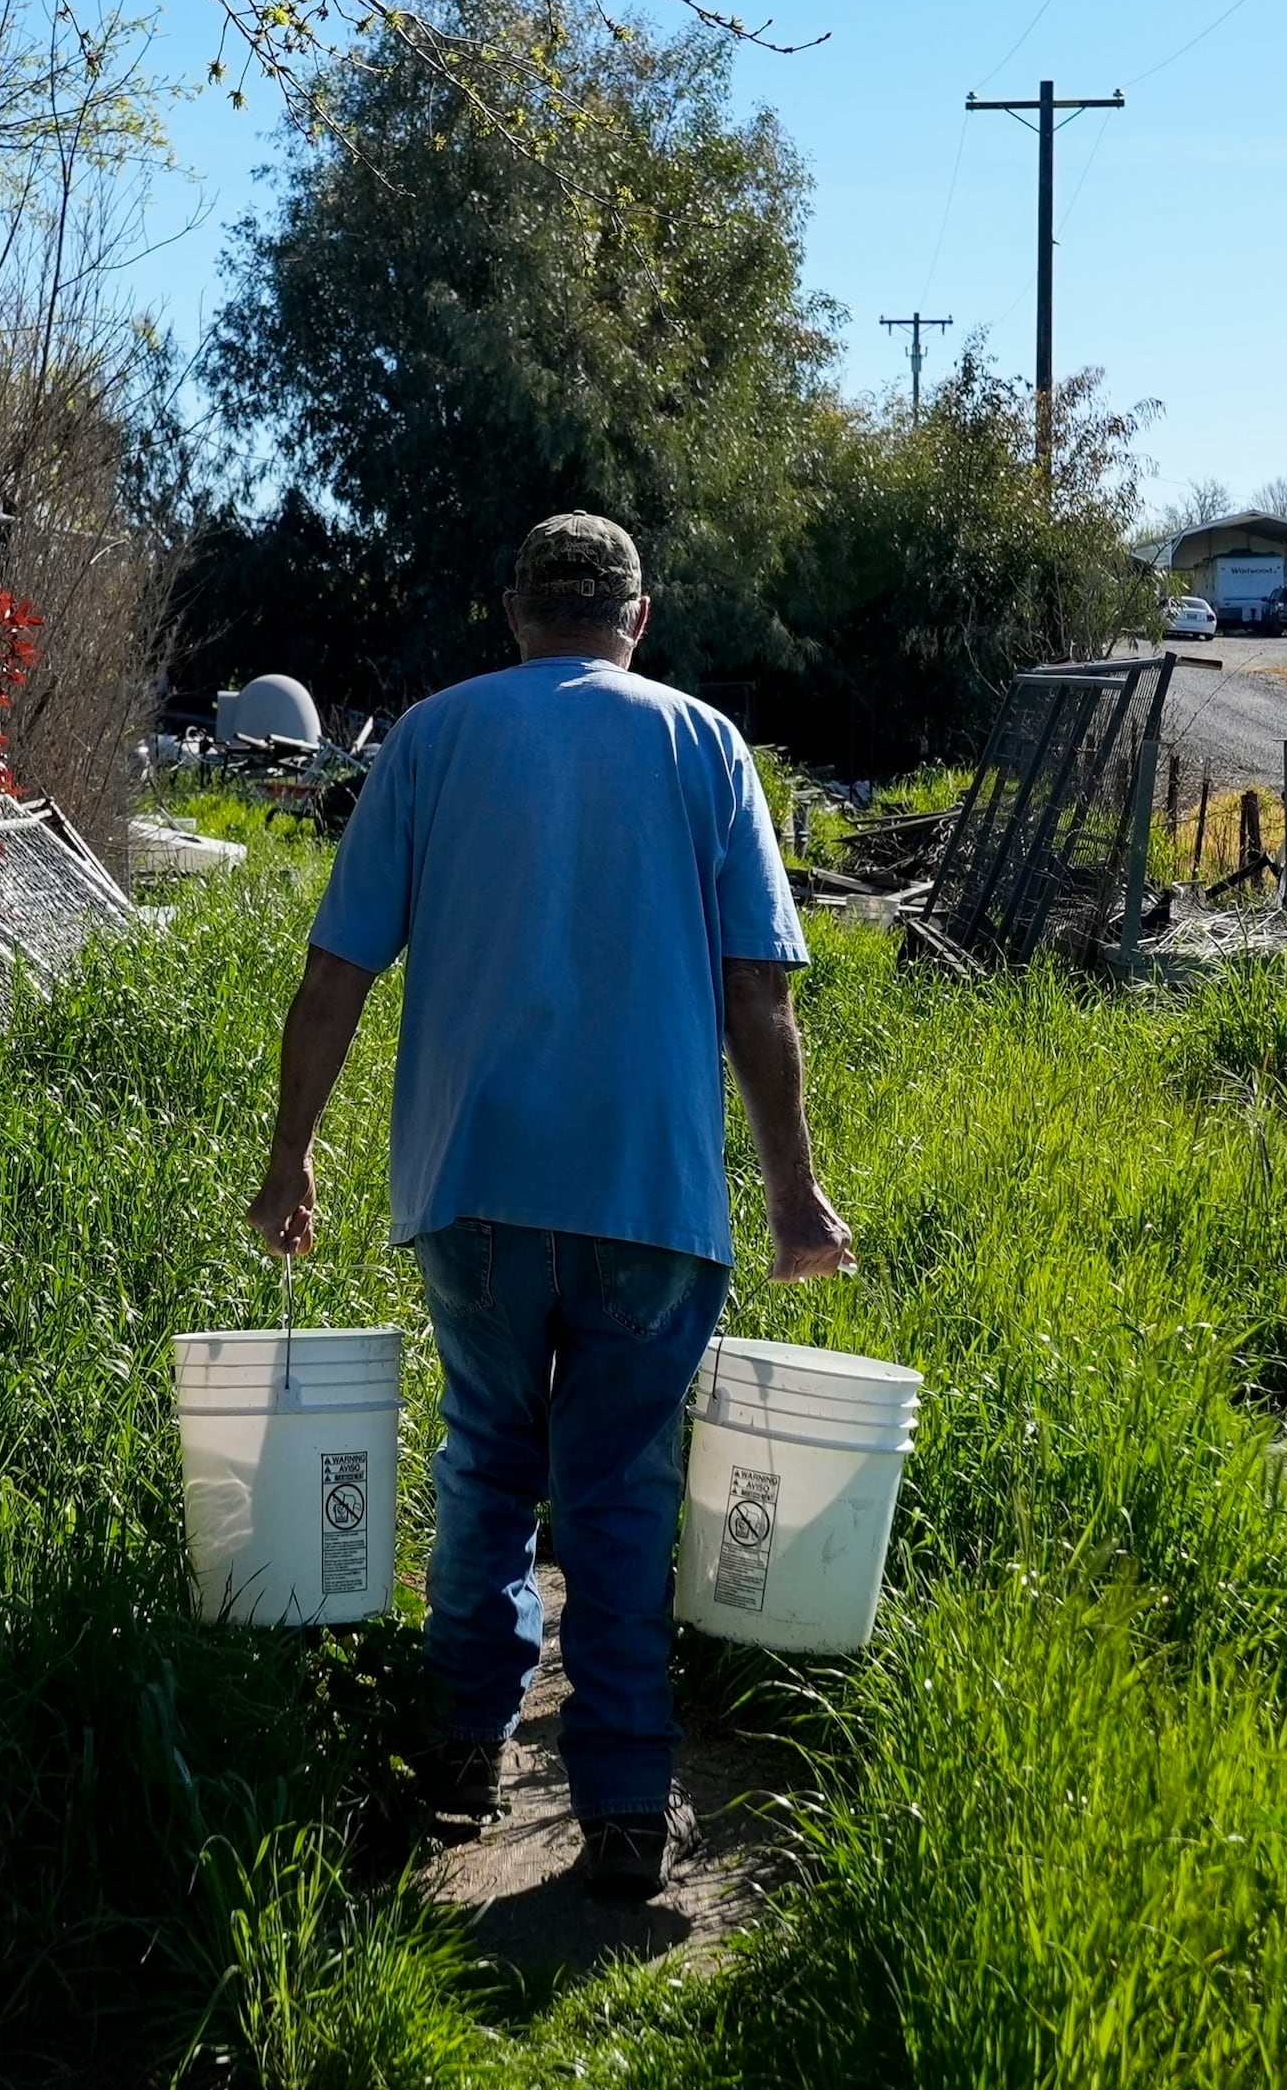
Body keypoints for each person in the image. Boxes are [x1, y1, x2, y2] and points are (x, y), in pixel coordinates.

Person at [246, 511, 854, 1903]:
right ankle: (628, 1811)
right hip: (653, 1197)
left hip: (473, 1190)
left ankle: (464, 1753)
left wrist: (290, 1163)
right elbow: (760, 992)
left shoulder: (436, 738)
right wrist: (793, 1193)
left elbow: (333, 977)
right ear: (640, 617)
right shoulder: (706, 746)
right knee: (624, 1494)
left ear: (513, 612)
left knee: (487, 1465)